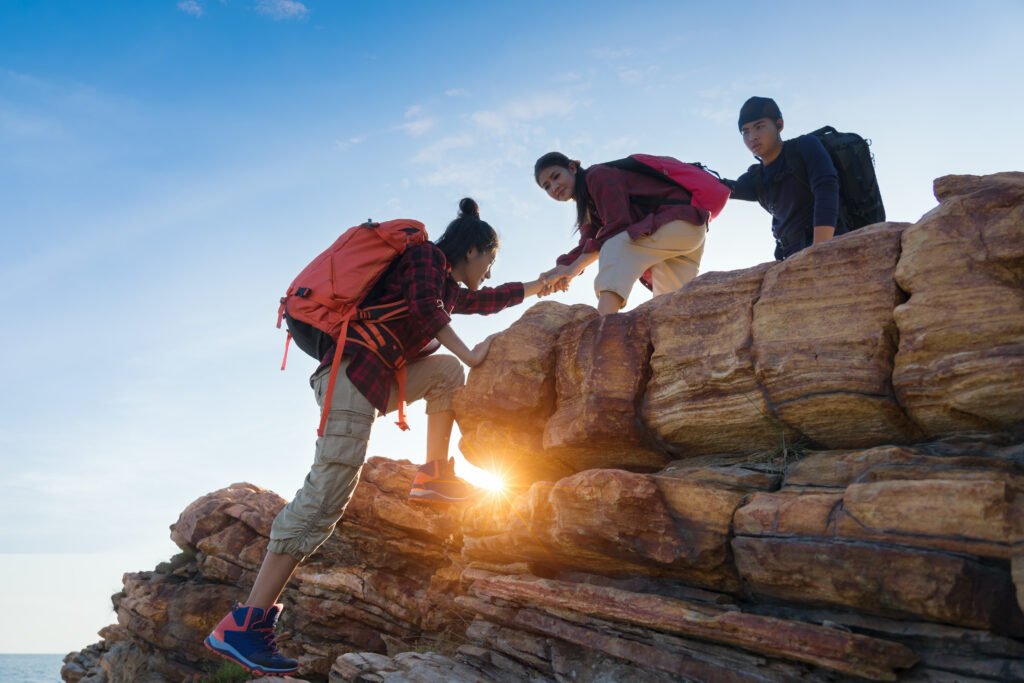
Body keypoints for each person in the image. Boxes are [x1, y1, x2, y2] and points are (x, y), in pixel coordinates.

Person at [204, 198, 547, 677]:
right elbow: (428, 311)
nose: (490, 272)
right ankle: (245, 623)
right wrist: (472, 356)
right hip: (350, 375)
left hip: (369, 379)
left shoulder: (445, 281)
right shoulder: (425, 258)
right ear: (475, 249)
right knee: (323, 498)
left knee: (445, 373)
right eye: (491, 261)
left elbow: (482, 301)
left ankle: (433, 476)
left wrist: (544, 283)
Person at [534, 152, 710, 315]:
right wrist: (559, 271)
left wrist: (573, 269)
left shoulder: (598, 176)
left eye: (556, 176)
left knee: (614, 246)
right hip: (684, 233)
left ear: (572, 168)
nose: (554, 187)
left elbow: (617, 225)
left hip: (677, 222)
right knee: (670, 307)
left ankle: (604, 329)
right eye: (547, 186)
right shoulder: (587, 207)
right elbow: (587, 244)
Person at [724, 96, 840, 260]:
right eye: (746, 131)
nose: (752, 137)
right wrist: (679, 170)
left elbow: (826, 188)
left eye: (759, 127)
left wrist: (820, 251)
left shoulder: (805, 146)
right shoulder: (756, 177)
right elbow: (721, 188)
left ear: (779, 125)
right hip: (788, 258)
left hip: (827, 248)